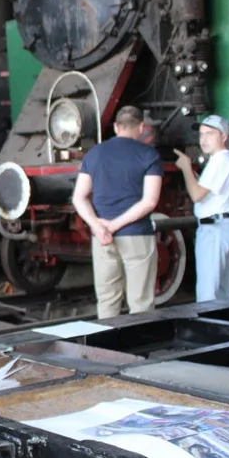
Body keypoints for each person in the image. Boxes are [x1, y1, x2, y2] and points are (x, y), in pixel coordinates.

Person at [72, 105, 163, 319]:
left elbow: (79, 197)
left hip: (103, 238)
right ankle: (137, 348)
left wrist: (97, 225)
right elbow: (150, 201)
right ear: (141, 127)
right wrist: (114, 225)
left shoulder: (94, 154)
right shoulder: (149, 155)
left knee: (107, 300)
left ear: (115, 127)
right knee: (141, 303)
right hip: (136, 236)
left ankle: (106, 349)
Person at [174, 114, 229, 303]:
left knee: (208, 293)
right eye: (202, 134)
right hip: (223, 225)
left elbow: (197, 195)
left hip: (215, 228)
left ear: (224, 136)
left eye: (210, 134)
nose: (204, 139)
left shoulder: (220, 160)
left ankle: (209, 328)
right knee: (222, 290)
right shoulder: (223, 160)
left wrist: (186, 168)